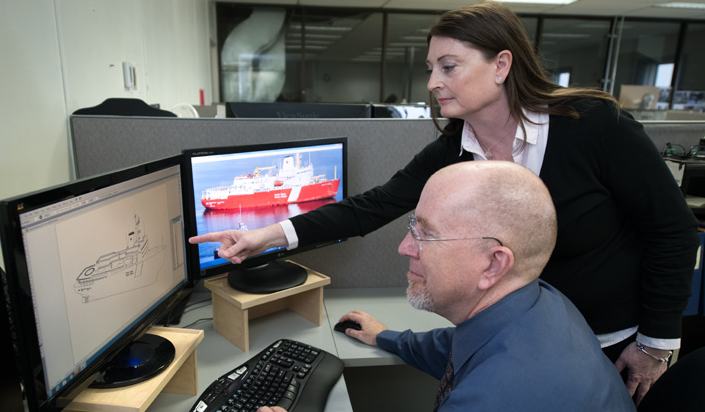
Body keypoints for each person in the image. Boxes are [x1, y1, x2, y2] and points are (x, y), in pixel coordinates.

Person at [190, 1, 699, 404]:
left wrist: (656, 344)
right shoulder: (457, 148)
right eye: (432, 67)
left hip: (608, 339)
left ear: (502, 65)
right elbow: (373, 206)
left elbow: (672, 231)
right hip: (516, 335)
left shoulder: (594, 128)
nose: (433, 82)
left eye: (449, 66)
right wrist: (267, 235)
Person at [261, 161, 637, 412]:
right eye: (412, 228)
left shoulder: (493, 399)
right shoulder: (543, 304)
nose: (404, 247)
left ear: (494, 264)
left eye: (426, 235)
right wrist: (386, 337)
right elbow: (461, 347)